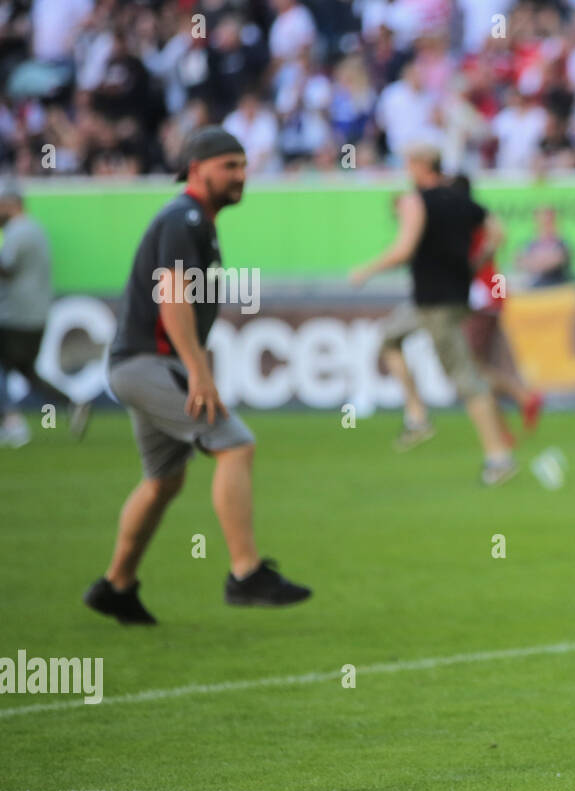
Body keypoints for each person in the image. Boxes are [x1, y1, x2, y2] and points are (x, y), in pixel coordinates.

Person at [83, 127, 311, 626]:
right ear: (196, 168)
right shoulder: (184, 217)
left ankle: (116, 586)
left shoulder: (194, 221)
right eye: (228, 165)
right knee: (236, 445)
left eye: (244, 166)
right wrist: (198, 370)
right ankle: (246, 574)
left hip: (141, 364)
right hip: (148, 363)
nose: (240, 175)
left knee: (163, 481)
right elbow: (173, 298)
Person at [349, 144, 517, 484]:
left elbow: (404, 249)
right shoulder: (462, 200)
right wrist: (474, 264)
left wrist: (366, 270)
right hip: (451, 297)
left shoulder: (416, 201)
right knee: (388, 338)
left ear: (420, 165)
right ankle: (417, 415)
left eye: (409, 163)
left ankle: (499, 458)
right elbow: (498, 234)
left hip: (433, 302)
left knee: (467, 380)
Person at [451, 174, 544, 443]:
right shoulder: (475, 215)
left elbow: (498, 236)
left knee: (473, 368)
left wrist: (473, 264)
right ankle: (501, 430)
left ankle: (523, 397)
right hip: (490, 294)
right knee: (484, 366)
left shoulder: (468, 217)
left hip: (481, 297)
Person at [0, 179, 91, 446]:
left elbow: (7, 268)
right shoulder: (35, 230)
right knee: (25, 370)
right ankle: (72, 404)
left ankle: (10, 421)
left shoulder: (19, 231)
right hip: (34, 315)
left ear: (12, 204)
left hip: (15, 315)